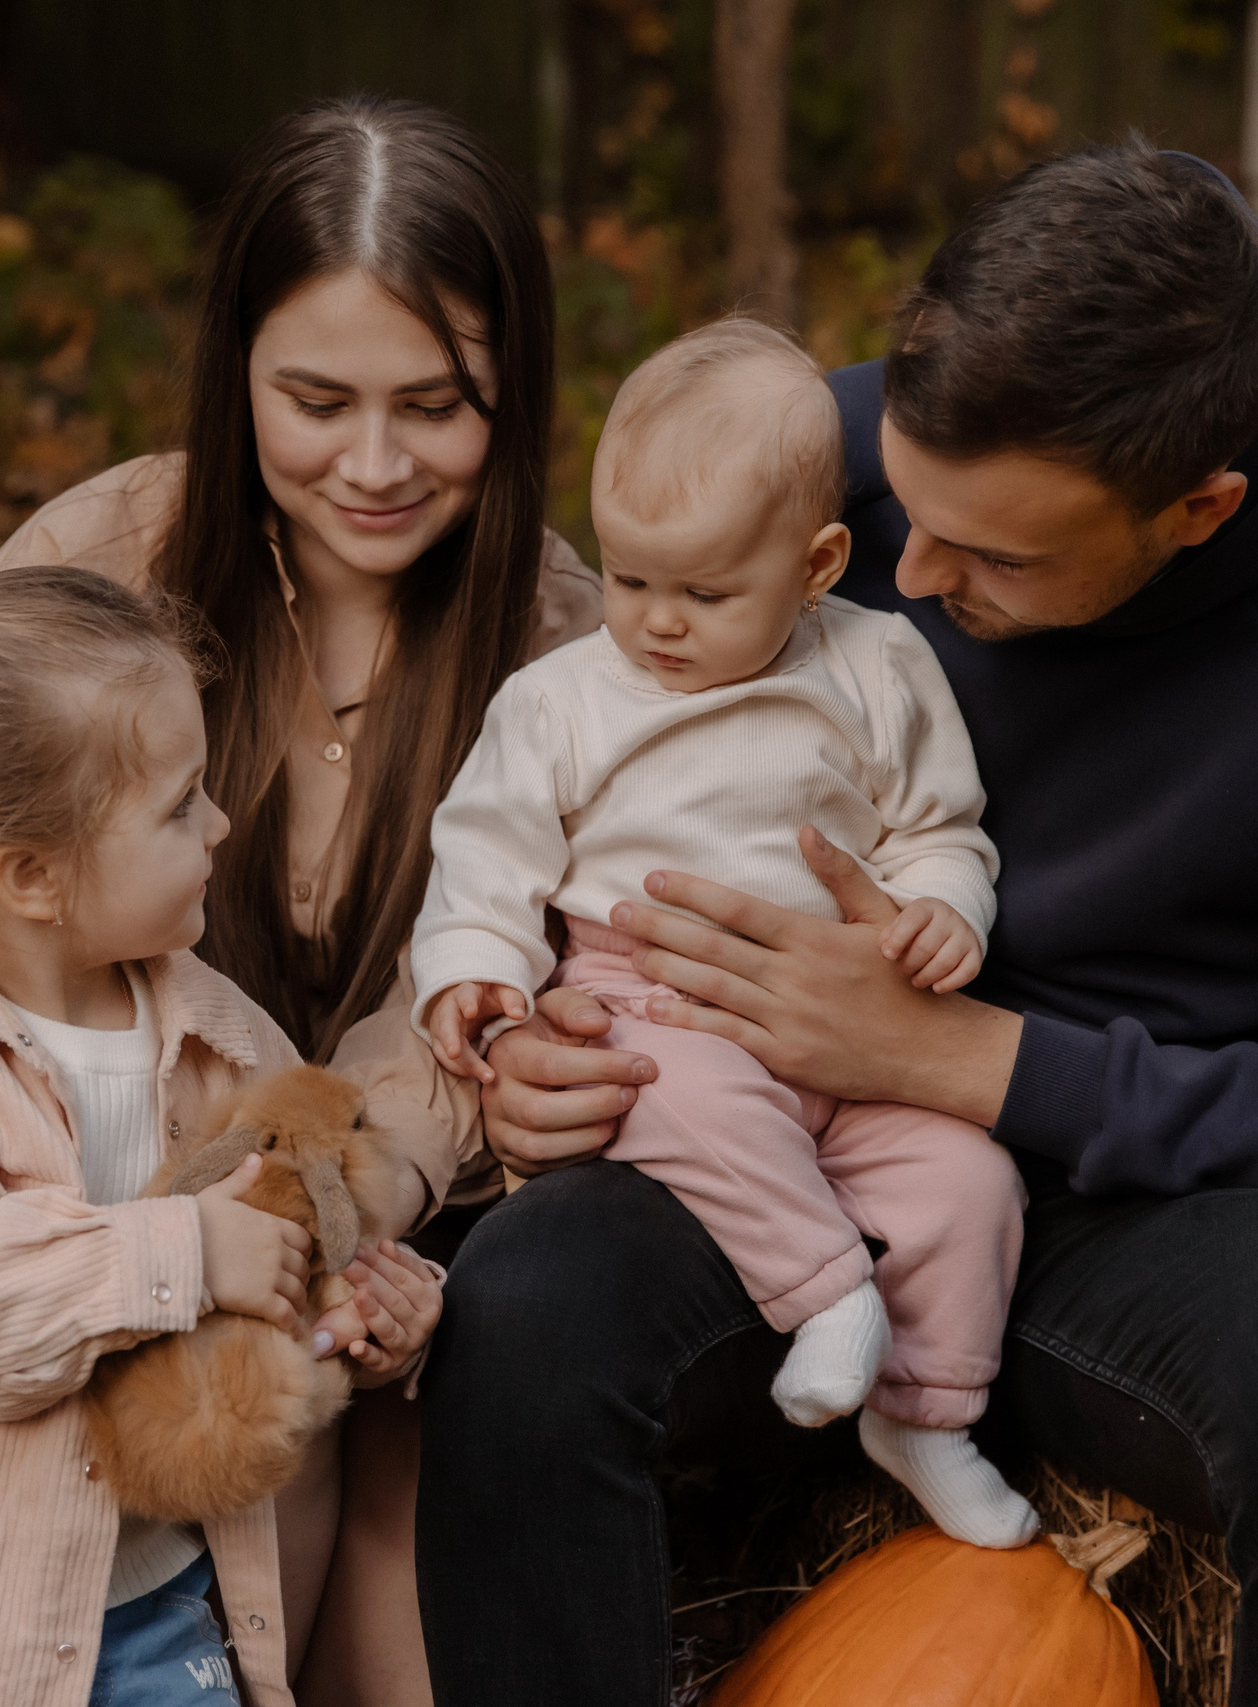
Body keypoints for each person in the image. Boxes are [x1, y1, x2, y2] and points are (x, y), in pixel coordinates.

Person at [421, 144, 1258, 1705]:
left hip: (1146, 1215)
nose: (915, 577)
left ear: (1197, 508)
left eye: (998, 556)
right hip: (777, 1153)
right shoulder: (826, 460)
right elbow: (599, 755)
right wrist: (539, 1029)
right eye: (900, 515)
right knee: (528, 1307)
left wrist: (973, 1058)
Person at [0, 96, 598, 1704]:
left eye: (436, 407)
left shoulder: (562, 646)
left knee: (430, 1413)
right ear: (238, 368)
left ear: (511, 396)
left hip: (404, 1180)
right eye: (315, 399)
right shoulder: (112, 553)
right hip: (79, 1166)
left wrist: (322, 1219)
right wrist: (161, 1232)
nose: (372, 464)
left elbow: (464, 1005)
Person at [0, 568, 443, 1707]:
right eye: (179, 805)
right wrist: (181, 1254)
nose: (220, 822)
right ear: (32, 876)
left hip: (170, 1595)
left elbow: (282, 1236)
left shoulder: (220, 1033)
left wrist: (365, 1308)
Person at [411, 318, 1036, 1549]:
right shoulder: (561, 700)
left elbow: (937, 828)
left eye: (704, 592)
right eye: (629, 578)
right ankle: (831, 1297)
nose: (655, 622)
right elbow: (484, 853)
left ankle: (924, 1412)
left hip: (857, 1033)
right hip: (659, 1003)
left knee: (974, 1183)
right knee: (676, 1100)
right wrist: (475, 974)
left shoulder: (877, 664)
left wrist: (941, 911)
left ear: (817, 565)